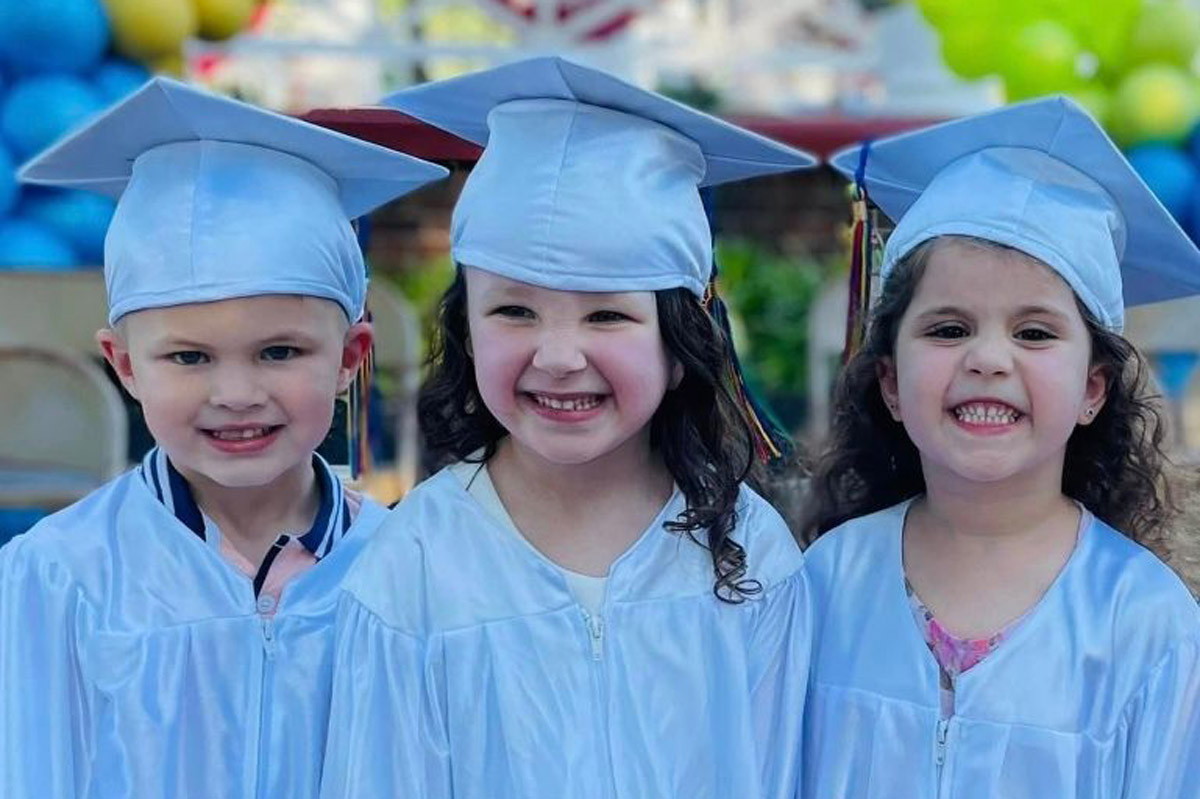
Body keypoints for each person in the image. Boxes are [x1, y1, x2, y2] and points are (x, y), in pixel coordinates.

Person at [318, 56, 815, 798]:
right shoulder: (415, 565)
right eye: (513, 310)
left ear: (680, 346)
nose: (557, 356)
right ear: (467, 332)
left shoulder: (749, 555)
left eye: (607, 314)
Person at [0, 77, 447, 798]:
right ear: (124, 365)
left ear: (349, 357)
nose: (236, 394)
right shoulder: (58, 578)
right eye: (189, 356)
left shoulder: (408, 573)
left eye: (279, 352)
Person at [802, 95, 1200, 798]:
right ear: (890, 381)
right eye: (948, 329)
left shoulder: (1144, 618)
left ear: (1093, 389)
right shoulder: (827, 581)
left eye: (1035, 333)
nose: (989, 359)